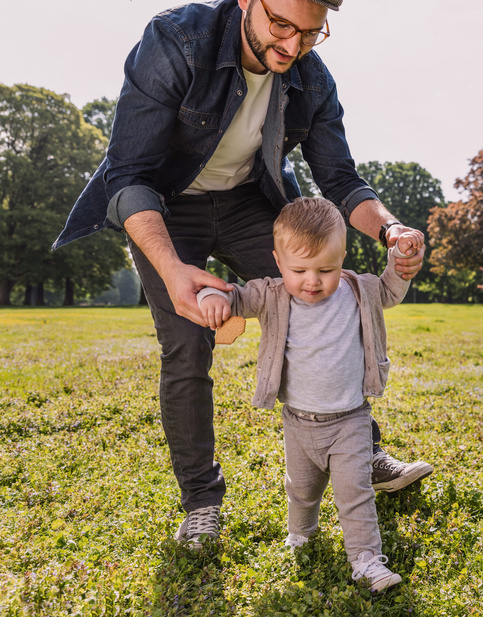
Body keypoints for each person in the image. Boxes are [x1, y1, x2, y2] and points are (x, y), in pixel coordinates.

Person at [54, 0, 432, 547]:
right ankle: (202, 502)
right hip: (164, 206)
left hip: (250, 203)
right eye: (280, 24)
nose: (291, 46)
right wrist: (171, 268)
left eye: (309, 33)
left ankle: (363, 450)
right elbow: (128, 174)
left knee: (324, 299)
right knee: (185, 344)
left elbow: (341, 179)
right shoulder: (176, 41)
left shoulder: (311, 78)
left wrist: (392, 230)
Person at [198, 197, 420, 591]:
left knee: (356, 493)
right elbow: (236, 296)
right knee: (301, 491)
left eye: (326, 269)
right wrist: (213, 298)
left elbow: (389, 290)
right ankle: (300, 535)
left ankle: (367, 561)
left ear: (343, 258)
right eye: (299, 270)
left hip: (351, 419)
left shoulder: (356, 290)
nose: (312, 281)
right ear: (278, 262)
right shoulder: (271, 294)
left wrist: (398, 260)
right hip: (298, 422)